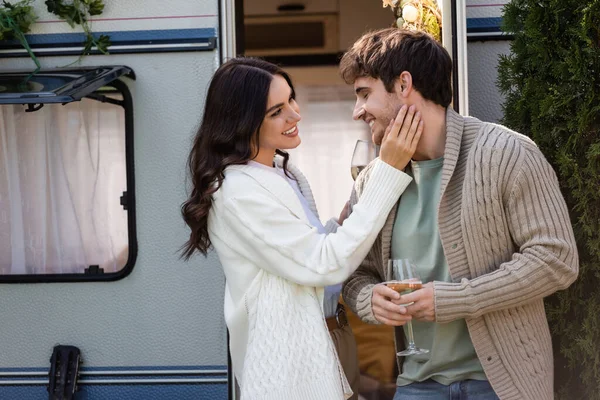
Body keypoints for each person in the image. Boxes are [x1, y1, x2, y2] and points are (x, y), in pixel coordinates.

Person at [340, 28, 579, 400]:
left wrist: (453, 299)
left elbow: (556, 258)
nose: (358, 111)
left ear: (404, 84)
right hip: (416, 387)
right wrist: (370, 299)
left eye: (364, 94)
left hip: (502, 385)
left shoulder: (507, 152)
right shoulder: (374, 179)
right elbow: (353, 272)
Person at [180, 57, 423, 400]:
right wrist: (387, 169)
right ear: (242, 121)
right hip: (289, 362)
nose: (295, 115)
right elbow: (322, 263)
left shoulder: (284, 173)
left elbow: (309, 247)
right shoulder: (236, 191)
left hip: (332, 333)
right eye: (276, 111)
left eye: (291, 99)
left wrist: (344, 221)